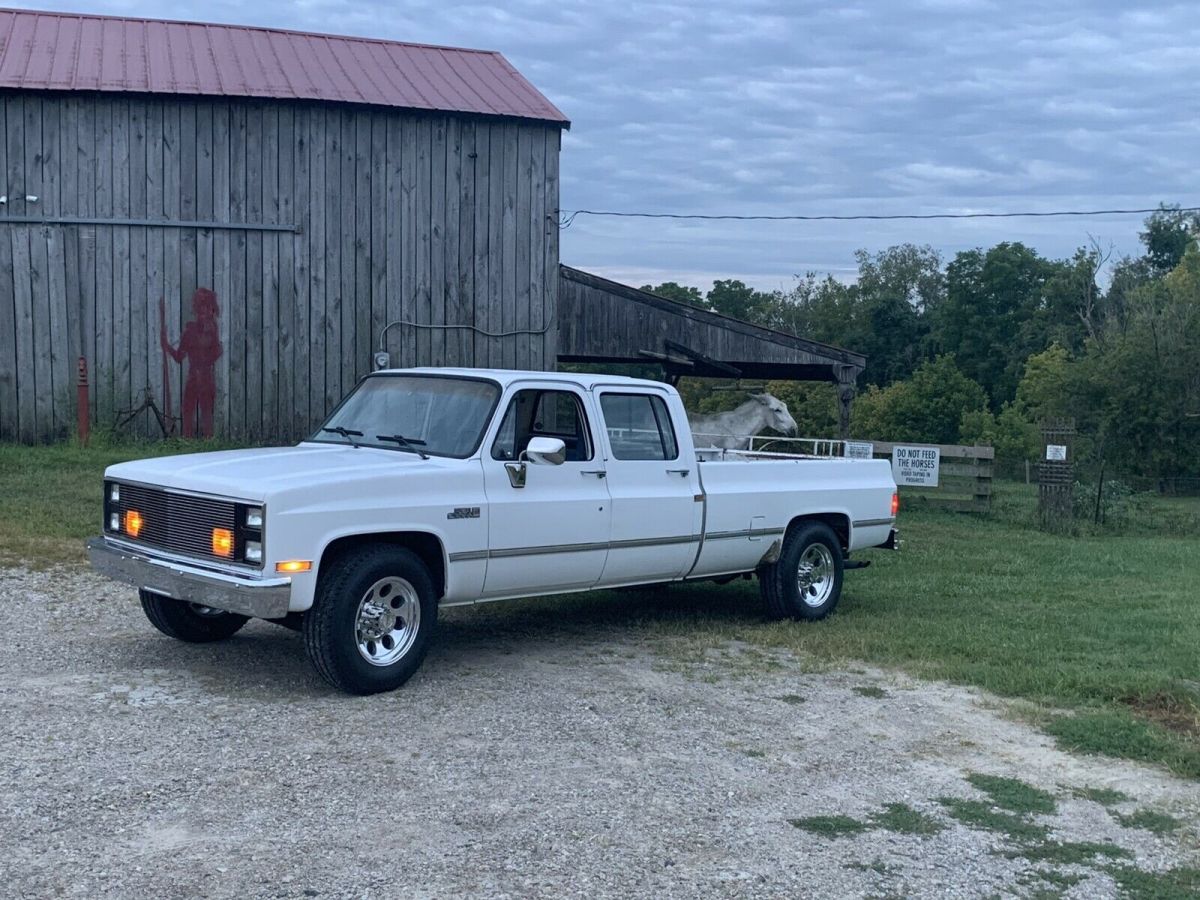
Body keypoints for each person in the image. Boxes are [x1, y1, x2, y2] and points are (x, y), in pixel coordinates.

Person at [161, 288, 222, 438]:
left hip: (205, 380)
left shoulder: (211, 331)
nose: (204, 312)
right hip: (194, 380)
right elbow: (179, 357)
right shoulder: (190, 332)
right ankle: (188, 445)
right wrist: (166, 346)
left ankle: (207, 445)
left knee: (206, 415)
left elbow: (217, 352)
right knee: (188, 415)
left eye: (207, 308)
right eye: (200, 307)